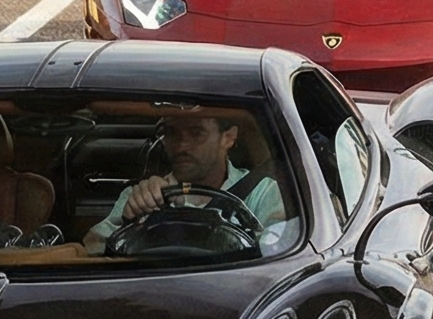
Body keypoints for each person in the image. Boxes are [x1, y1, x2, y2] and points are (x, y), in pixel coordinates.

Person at [84, 108, 296, 255]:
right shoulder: (141, 196)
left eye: (196, 133)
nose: (182, 146)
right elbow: (92, 250)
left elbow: (281, 254)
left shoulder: (263, 193)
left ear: (228, 138)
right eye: (172, 133)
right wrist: (132, 219)